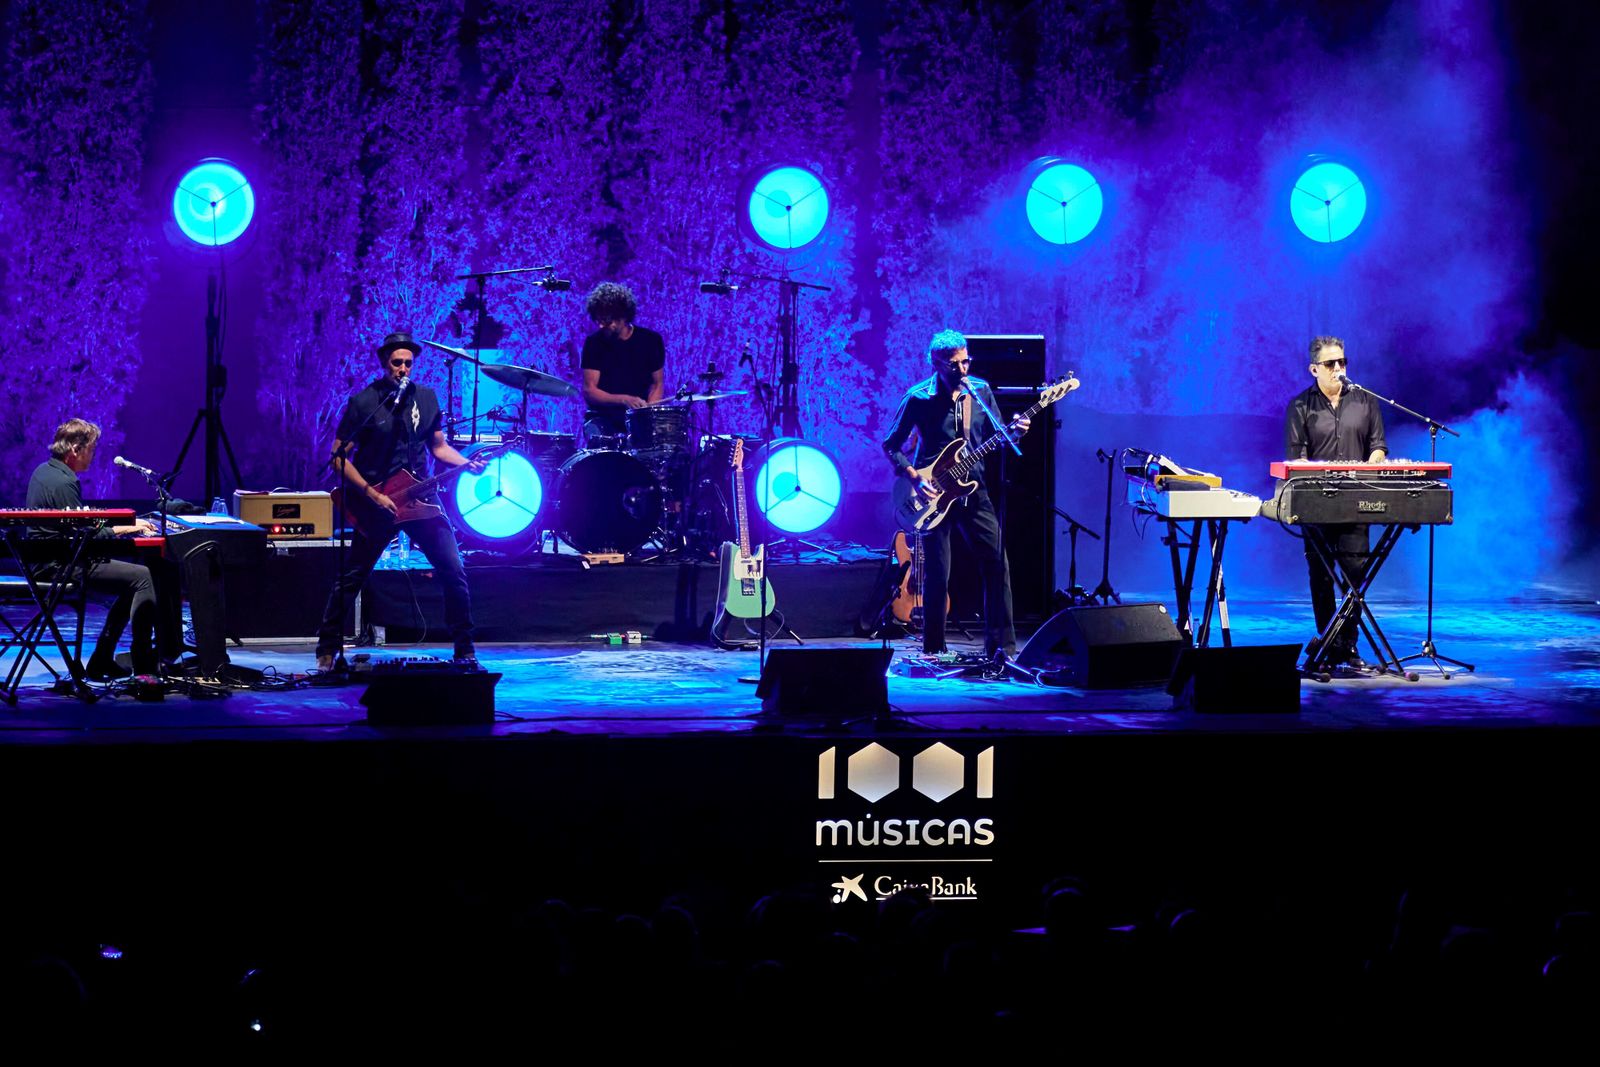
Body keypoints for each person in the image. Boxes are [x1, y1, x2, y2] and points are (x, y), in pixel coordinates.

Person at [315, 332, 483, 671]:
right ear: (383, 364)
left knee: (453, 569)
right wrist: (371, 493)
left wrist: (466, 464)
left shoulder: (427, 398)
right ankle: (327, 648)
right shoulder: (365, 402)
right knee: (352, 576)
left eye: (408, 363)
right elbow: (338, 456)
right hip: (378, 500)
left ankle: (464, 648)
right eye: (396, 363)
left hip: (420, 497)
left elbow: (438, 447)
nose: (403, 369)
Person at [882, 329, 1030, 661]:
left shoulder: (980, 391)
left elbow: (998, 437)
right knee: (937, 573)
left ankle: (1001, 650)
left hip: (974, 491)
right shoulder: (918, 397)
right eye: (954, 365)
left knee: (997, 565)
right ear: (937, 364)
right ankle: (934, 648)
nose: (962, 370)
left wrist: (1015, 433)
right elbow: (891, 446)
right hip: (931, 494)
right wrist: (914, 477)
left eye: (966, 362)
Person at [24, 419, 162, 679]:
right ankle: (144, 666)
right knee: (143, 577)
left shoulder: (44, 471)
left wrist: (118, 525)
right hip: (59, 567)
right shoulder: (65, 483)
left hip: (48, 561)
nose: (93, 455)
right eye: (92, 449)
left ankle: (101, 659)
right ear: (76, 449)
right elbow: (86, 536)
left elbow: (77, 524)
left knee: (132, 581)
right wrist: (130, 528)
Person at [1283, 335, 1387, 670]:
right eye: (1330, 364)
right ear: (1314, 369)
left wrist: (1376, 458)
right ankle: (1328, 644)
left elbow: (1378, 445)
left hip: (1357, 501)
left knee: (1356, 574)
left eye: (1342, 362)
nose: (1338, 369)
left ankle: (1349, 646)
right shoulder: (1300, 406)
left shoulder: (1366, 400)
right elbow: (1295, 460)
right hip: (1318, 503)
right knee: (1321, 575)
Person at [579, 282, 665, 443]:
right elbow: (590, 390)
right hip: (603, 419)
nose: (600, 325)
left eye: (606, 320)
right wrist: (624, 399)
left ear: (623, 316)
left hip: (637, 419)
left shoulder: (651, 341)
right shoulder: (594, 343)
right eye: (598, 319)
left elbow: (657, 383)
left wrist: (647, 413)